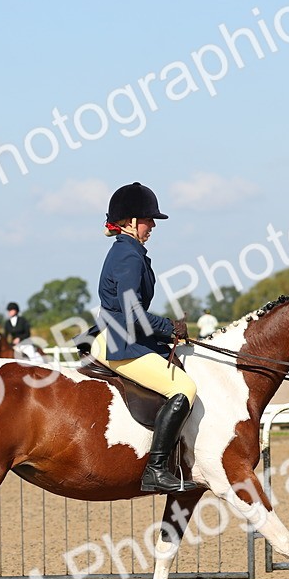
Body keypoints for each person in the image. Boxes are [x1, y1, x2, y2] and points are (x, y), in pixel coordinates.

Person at [89, 182, 200, 493]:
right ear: (130, 222)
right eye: (148, 220)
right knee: (184, 387)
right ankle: (156, 469)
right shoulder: (128, 256)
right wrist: (169, 327)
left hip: (120, 333)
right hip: (121, 340)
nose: (152, 226)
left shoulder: (128, 251)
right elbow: (132, 313)